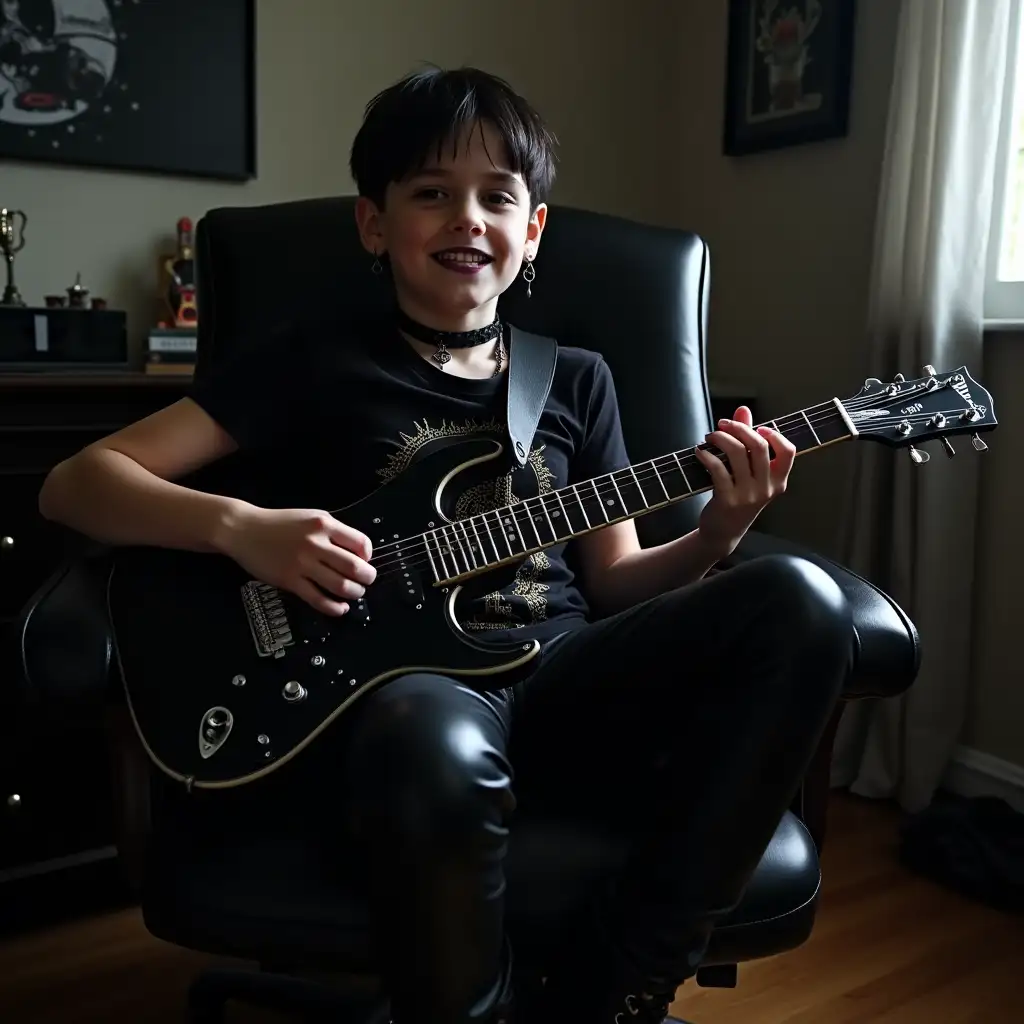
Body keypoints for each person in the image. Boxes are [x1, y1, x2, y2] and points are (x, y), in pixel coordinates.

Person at [39, 66, 852, 1024]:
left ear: (531, 231)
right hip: (402, 695)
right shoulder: (315, 359)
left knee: (804, 600)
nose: (467, 219)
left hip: (571, 676)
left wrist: (721, 530)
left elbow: (621, 584)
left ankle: (616, 987)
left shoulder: (578, 381)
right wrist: (242, 529)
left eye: (497, 197)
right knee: (433, 738)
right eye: (431, 192)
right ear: (374, 224)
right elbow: (77, 483)